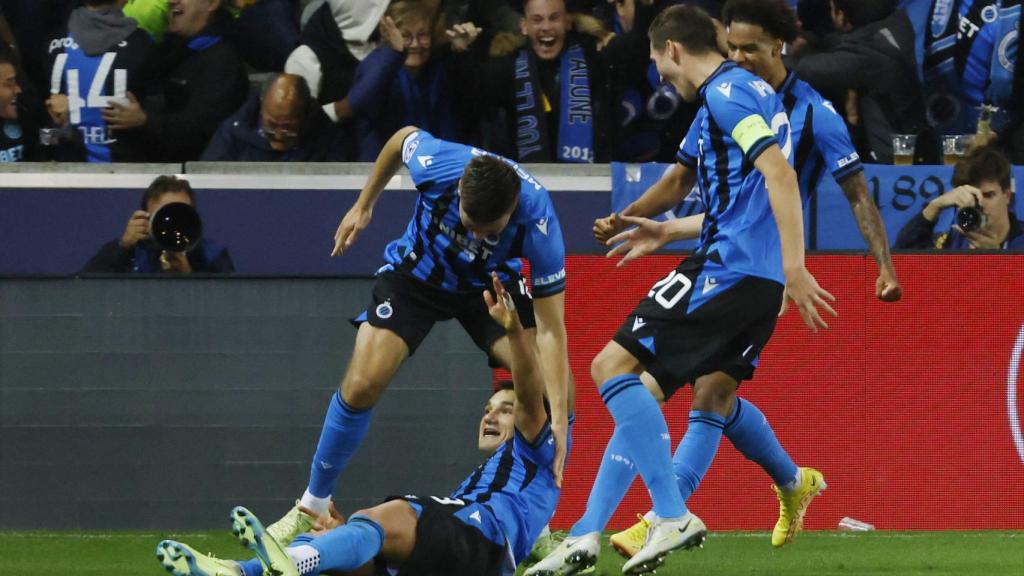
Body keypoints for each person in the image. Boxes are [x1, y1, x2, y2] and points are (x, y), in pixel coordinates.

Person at [587, 0, 902, 560]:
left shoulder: (800, 110)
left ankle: (658, 515)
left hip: (757, 263)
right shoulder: (725, 97)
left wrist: (862, 263)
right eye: (733, 46)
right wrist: (656, 225)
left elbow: (838, 189)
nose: (739, 55)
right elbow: (696, 185)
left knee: (641, 379)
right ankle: (791, 482)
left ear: (778, 47)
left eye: (750, 46)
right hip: (746, 255)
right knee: (713, 392)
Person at [529, 5, 837, 575]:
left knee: (611, 368)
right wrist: (641, 219)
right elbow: (681, 180)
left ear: (672, 50)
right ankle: (587, 533)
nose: (657, 71)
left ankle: (669, 514)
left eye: (655, 57)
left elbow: (781, 175)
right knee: (679, 392)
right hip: (751, 279)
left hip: (731, 270)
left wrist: (797, 266)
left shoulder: (728, 96)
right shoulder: (735, 99)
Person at [260, 125, 571, 547]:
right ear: (460, 189)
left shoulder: (539, 220)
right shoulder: (438, 162)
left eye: (489, 230)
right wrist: (364, 204)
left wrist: (559, 420)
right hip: (417, 276)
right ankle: (313, 503)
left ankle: (534, 526)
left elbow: (552, 331)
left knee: (557, 391)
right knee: (362, 383)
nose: (476, 237)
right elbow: (400, 137)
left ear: (513, 208)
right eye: (470, 223)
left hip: (489, 289)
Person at [156, 274, 572, 576]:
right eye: (488, 407)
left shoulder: (540, 448)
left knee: (390, 515)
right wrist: (345, 535)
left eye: (503, 409)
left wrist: (516, 333)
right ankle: (244, 571)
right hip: (469, 556)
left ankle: (278, 567)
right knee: (338, 542)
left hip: (486, 545)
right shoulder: (494, 483)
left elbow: (531, 388)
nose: (489, 415)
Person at [102, 0, 249, 162]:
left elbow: (204, 130)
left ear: (212, 4)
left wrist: (145, 120)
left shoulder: (222, 61)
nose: (172, 1)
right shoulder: (169, 49)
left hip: (196, 176)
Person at [793, 0, 926, 163]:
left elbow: (807, 70)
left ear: (842, 17)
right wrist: (808, 38)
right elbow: (841, 42)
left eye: (832, 9)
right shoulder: (895, 23)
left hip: (894, 166)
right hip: (916, 147)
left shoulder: (866, 55)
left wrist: (779, 49)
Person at [347, 1, 479, 160]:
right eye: (405, 36)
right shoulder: (375, 66)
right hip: (386, 173)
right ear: (388, 35)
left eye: (423, 35)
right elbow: (359, 103)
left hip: (437, 170)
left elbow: (472, 106)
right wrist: (393, 53)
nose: (415, 44)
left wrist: (460, 54)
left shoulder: (440, 69)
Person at [44, 0, 159, 162]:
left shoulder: (144, 45)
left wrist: (144, 120)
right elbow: (41, 130)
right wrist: (57, 128)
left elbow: (166, 125)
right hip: (66, 173)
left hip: (130, 174)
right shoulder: (51, 43)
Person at [81, 175, 235, 274]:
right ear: (146, 217)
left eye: (180, 215)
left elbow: (227, 309)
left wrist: (187, 277)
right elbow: (85, 292)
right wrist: (122, 247)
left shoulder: (212, 255)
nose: (172, 224)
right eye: (163, 215)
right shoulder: (130, 252)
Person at [895, 145, 1024, 250]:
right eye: (973, 196)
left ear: (1007, 195)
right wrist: (934, 206)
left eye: (988, 195)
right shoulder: (950, 242)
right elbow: (903, 263)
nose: (981, 204)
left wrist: (997, 259)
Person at [201, 73, 346, 161]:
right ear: (261, 105)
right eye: (271, 124)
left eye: (287, 127)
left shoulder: (327, 136)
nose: (278, 135)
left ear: (304, 114)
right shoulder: (233, 132)